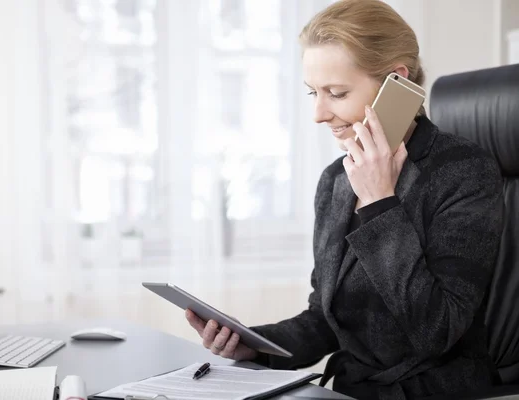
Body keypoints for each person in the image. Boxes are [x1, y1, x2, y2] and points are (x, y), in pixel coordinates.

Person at [185, 0, 504, 399]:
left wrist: (379, 203)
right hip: (349, 391)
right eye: (312, 93)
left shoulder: (464, 173)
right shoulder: (337, 179)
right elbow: (325, 320)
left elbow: (436, 331)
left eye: (336, 93)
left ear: (396, 81)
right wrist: (253, 344)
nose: (319, 113)